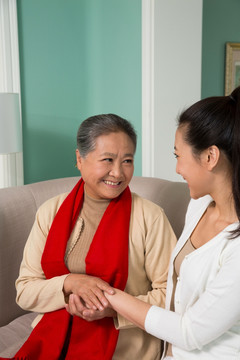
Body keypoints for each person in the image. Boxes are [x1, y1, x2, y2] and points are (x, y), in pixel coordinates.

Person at [3, 114, 176, 360]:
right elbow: (25, 290)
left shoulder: (151, 217)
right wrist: (69, 283)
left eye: (127, 161)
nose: (117, 173)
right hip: (54, 339)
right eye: (107, 160)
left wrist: (112, 308)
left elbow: (173, 294)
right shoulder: (50, 211)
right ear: (79, 159)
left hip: (123, 345)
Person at [103, 87, 240, 360]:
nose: (177, 168)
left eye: (178, 155)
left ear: (210, 157)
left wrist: (108, 295)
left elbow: (190, 331)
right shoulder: (199, 205)